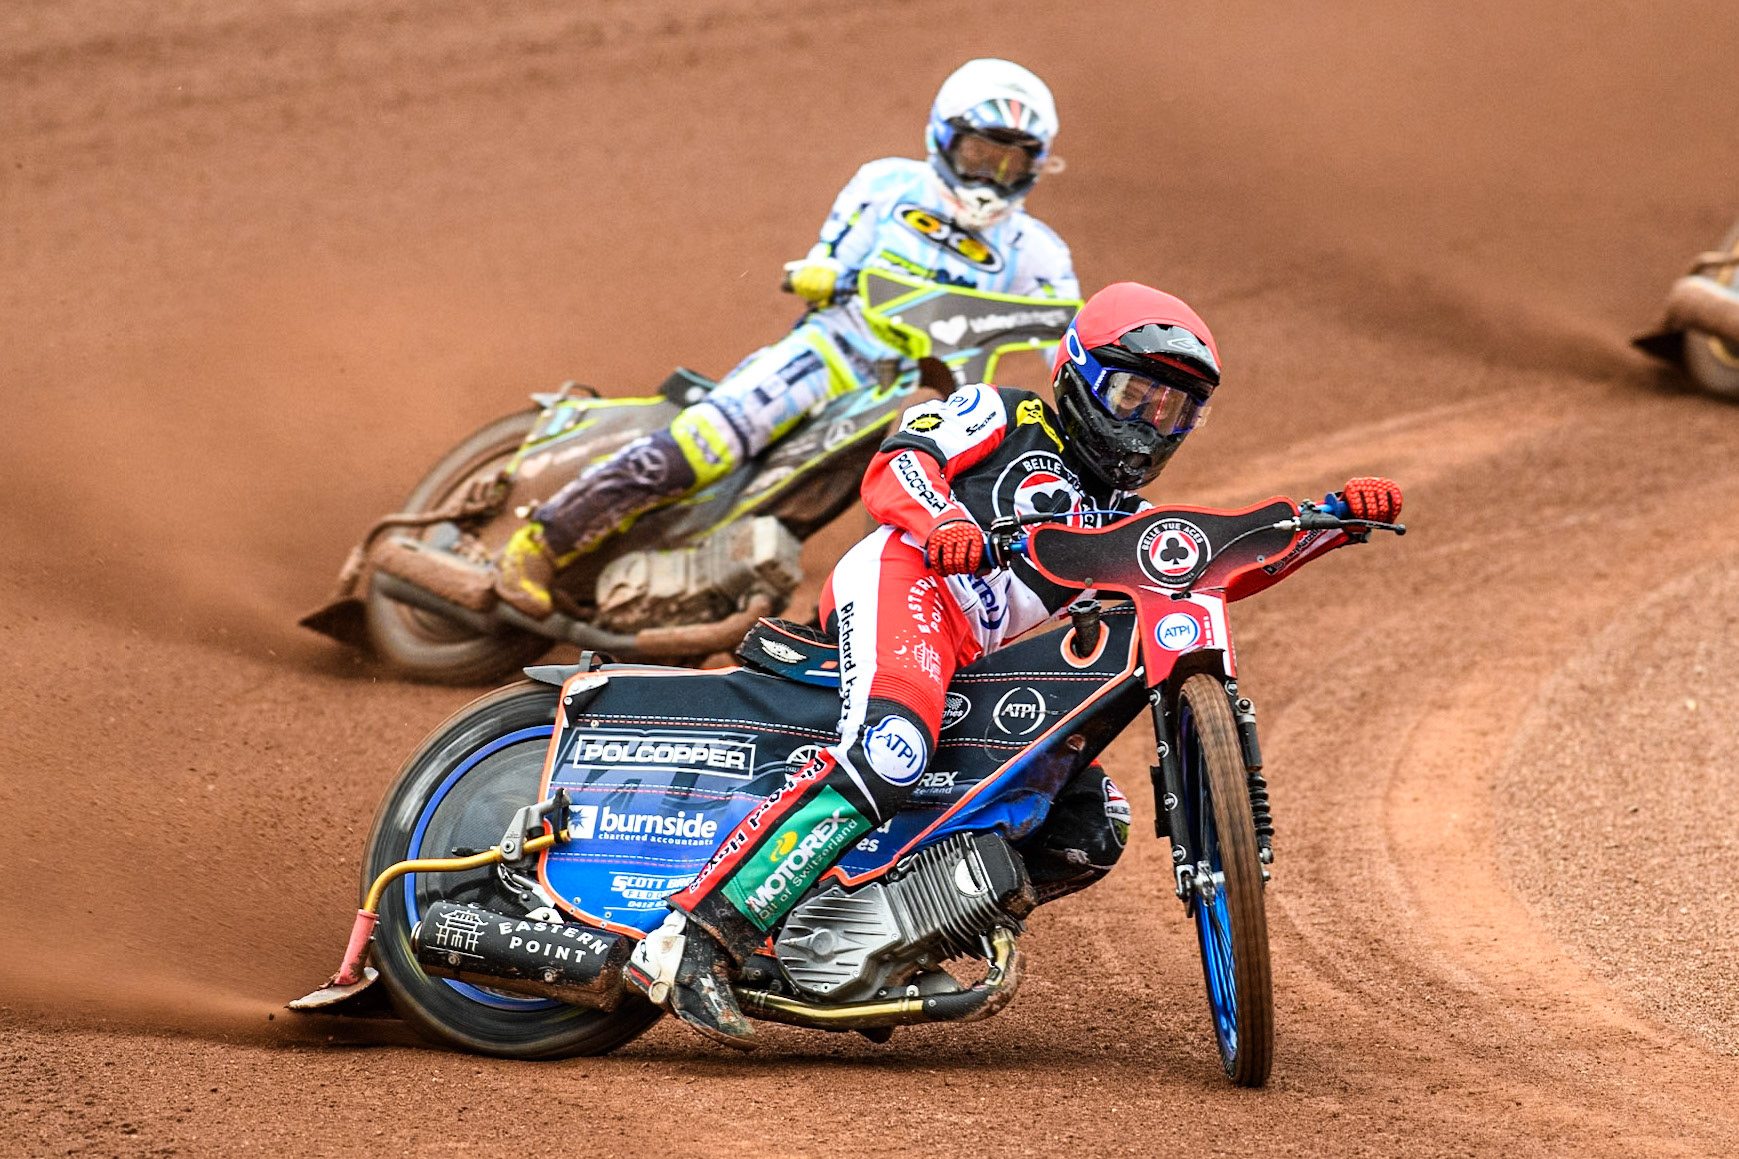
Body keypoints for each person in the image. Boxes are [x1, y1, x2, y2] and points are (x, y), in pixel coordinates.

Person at [623, 281, 1405, 1048]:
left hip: (975, 655)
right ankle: (693, 937)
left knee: (1089, 822)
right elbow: (898, 461)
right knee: (890, 750)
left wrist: (1332, 523)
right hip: (909, 582)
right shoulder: (1001, 411)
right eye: (1133, 395)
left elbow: (1216, 567)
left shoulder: (1124, 521)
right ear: (1078, 374)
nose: (1147, 424)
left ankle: (876, 937)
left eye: (1171, 410)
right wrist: (943, 521)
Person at [494, 58, 1080, 617]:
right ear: (944, 138)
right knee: (708, 440)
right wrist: (821, 271)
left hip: (912, 396)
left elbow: (1066, 342)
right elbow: (830, 254)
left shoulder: (1038, 252)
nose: (991, 176)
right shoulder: (888, 184)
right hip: (831, 352)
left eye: (1010, 162)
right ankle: (543, 542)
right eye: (980, 154)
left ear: (1036, 166)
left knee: (918, 493)